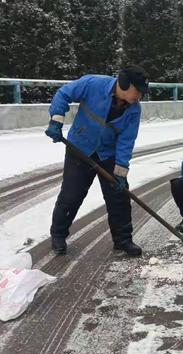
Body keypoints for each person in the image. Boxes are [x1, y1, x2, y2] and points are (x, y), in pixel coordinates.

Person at [44, 65, 149, 256]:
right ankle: (58, 235)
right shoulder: (93, 84)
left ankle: (123, 240)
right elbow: (63, 94)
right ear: (125, 84)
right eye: (138, 91)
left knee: (119, 198)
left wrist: (121, 173)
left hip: (108, 154)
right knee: (71, 195)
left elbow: (126, 141)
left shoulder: (134, 110)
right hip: (80, 148)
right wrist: (56, 119)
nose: (139, 97)